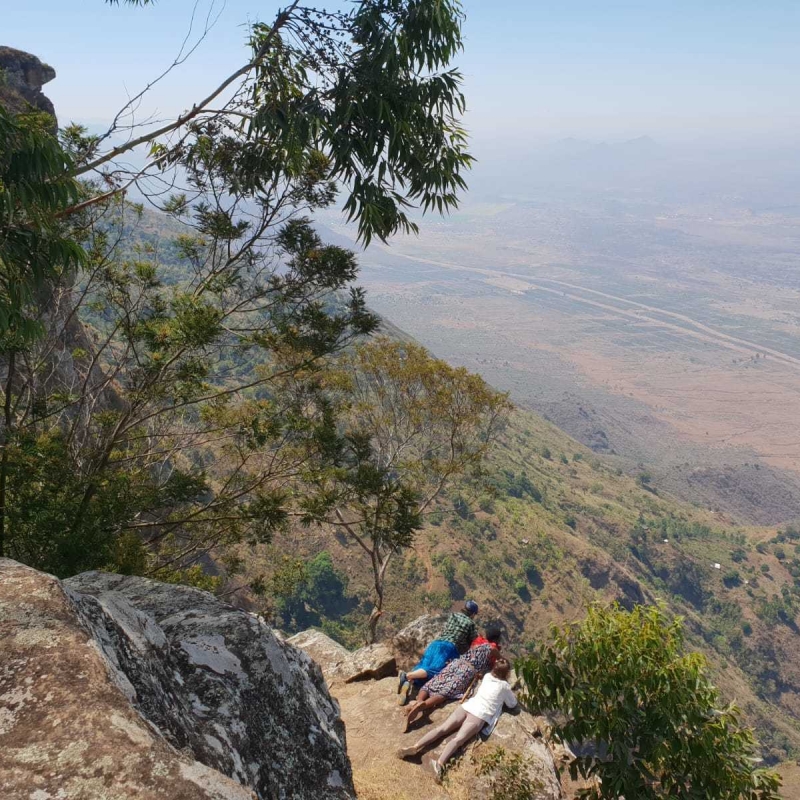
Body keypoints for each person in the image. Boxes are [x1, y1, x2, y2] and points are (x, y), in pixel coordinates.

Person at [396, 658, 517, 784]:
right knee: (458, 739)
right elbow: (512, 704)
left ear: (494, 668)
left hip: (467, 706)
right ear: (507, 673)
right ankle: (439, 764)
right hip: (479, 715)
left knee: (442, 729)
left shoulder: (487, 676)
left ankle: (415, 747)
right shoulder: (505, 687)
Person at [402, 625, 501, 729]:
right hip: (467, 671)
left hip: (456, 663)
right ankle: (424, 705)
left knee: (433, 682)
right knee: (446, 691)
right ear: (496, 638)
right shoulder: (492, 648)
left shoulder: (477, 642)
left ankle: (418, 701)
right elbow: (502, 661)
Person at [396, 600, 480, 706]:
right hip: (449, 647)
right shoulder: (470, 623)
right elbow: (474, 640)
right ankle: (407, 675)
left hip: (436, 643)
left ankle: (408, 682)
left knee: (424, 665)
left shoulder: (453, 615)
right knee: (435, 671)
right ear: (473, 613)